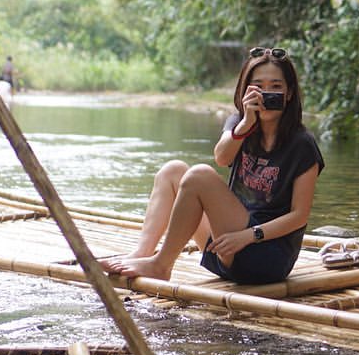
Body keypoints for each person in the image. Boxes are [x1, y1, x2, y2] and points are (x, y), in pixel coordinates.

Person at [100, 47, 324, 284]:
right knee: (172, 171)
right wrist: (246, 124)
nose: (266, 94)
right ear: (245, 91)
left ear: (289, 94)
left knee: (199, 176)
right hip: (225, 244)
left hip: (265, 255)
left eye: (276, 87)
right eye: (259, 86)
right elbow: (222, 158)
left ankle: (160, 264)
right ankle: (141, 255)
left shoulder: (302, 144)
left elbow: (299, 216)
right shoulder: (240, 123)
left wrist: (249, 236)